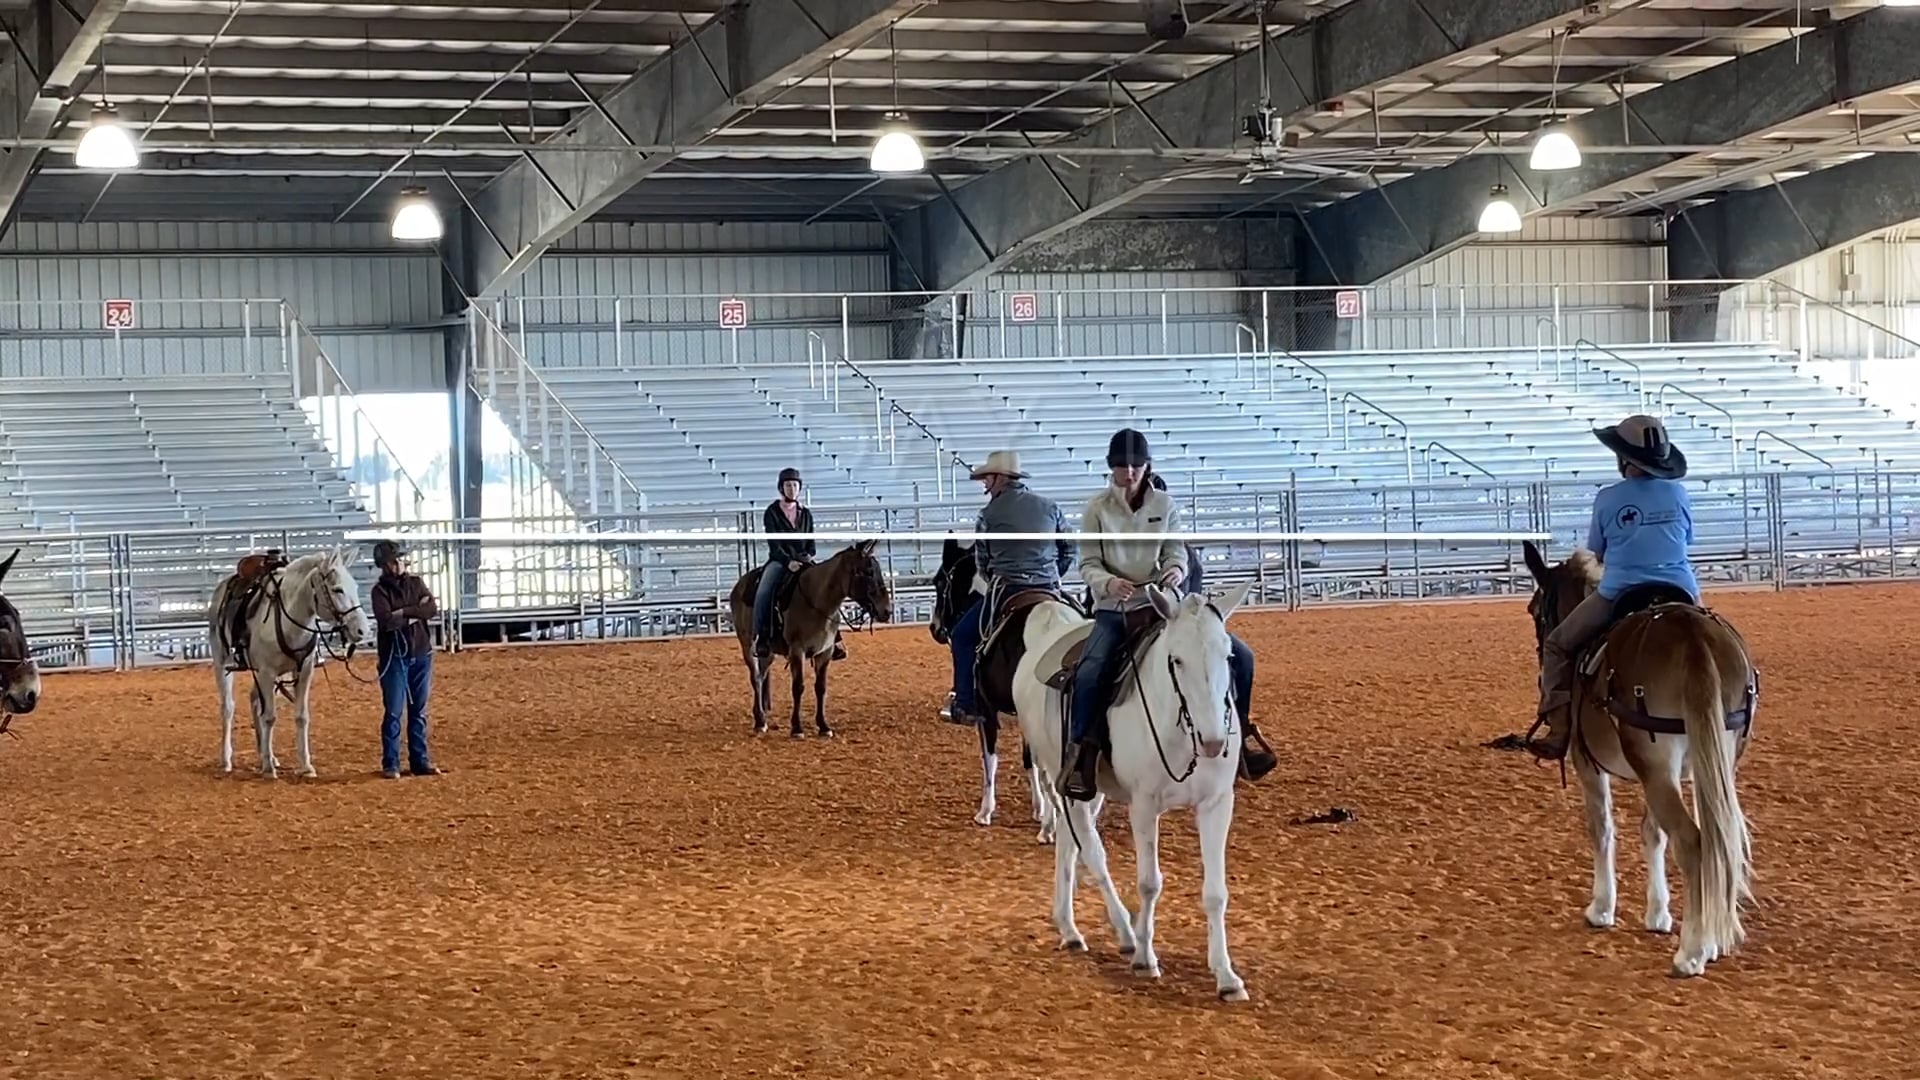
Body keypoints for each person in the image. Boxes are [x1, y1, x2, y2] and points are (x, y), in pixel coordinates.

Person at [1060, 428, 1279, 801]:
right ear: (1111, 468)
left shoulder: (1165, 504)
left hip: (1165, 607)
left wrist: (1175, 570)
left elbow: (1175, 551)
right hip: (1116, 609)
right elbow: (1088, 564)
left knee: (1240, 656)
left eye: (1135, 465)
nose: (1129, 472)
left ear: (1147, 466)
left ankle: (1238, 738)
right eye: (1121, 466)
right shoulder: (1096, 508)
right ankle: (1083, 751)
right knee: (1091, 669)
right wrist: (1109, 584)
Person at [1531, 413, 1696, 761]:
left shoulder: (1608, 498)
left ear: (1623, 459)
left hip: (1620, 592)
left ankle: (1559, 728)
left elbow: (1598, 553)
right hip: (1682, 590)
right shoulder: (1679, 492)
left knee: (1557, 645)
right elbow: (1687, 540)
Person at [945, 451, 1074, 727]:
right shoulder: (1050, 506)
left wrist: (996, 577)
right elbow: (1069, 548)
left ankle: (966, 702)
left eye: (987, 479)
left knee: (962, 637)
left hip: (1007, 588)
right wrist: (1052, 575)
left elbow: (983, 562)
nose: (985, 485)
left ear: (1000, 478)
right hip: (1050, 587)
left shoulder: (988, 515)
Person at [751, 467, 846, 661]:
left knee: (827, 587)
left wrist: (808, 557)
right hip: (780, 561)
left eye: (795, 485)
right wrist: (788, 562)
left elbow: (811, 543)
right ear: (781, 488)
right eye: (787, 485)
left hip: (803, 560)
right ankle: (762, 637)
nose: (791, 489)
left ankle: (835, 638)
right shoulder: (772, 512)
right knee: (764, 590)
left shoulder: (806, 513)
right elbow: (774, 544)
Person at [370, 539, 443, 779]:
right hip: (394, 657)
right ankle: (391, 763)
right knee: (393, 712)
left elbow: (430, 609)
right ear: (387, 564)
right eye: (396, 559)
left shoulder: (416, 582)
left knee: (418, 710)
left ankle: (419, 760)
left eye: (400, 558)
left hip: (420, 653)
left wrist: (402, 612)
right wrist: (415, 611)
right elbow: (386, 621)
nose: (401, 562)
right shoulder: (379, 591)